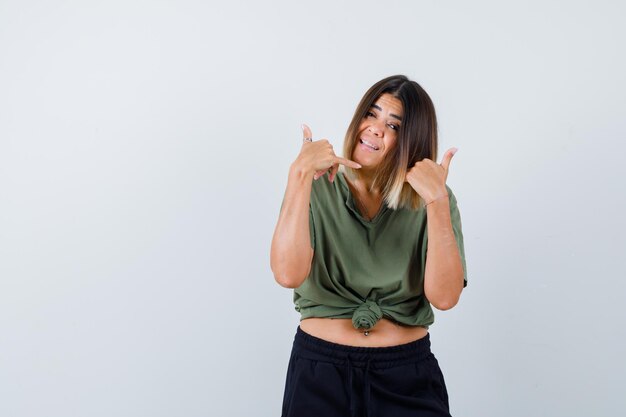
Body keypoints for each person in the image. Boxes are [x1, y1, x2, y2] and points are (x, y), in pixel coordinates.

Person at [270, 74, 467, 417]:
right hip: (320, 371)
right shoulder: (316, 184)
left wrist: (436, 201)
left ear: (412, 142)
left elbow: (445, 297)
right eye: (371, 114)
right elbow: (288, 274)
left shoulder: (432, 198)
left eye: (393, 125)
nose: (376, 129)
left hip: (406, 375)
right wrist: (298, 176)